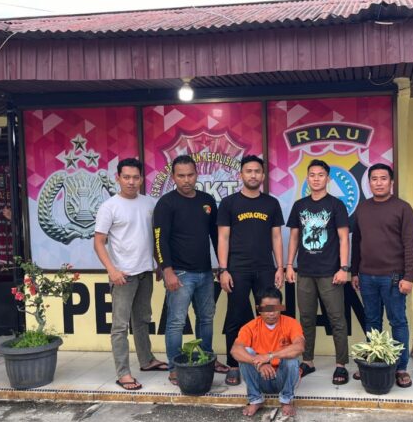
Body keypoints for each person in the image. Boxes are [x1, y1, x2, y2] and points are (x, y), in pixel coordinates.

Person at [153, 154, 229, 386]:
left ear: (197, 174)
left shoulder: (207, 201)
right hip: (180, 274)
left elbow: (216, 236)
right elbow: (159, 239)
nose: (186, 180)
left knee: (206, 319)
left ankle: (207, 359)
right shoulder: (166, 203)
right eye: (181, 176)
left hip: (205, 273)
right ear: (173, 177)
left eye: (190, 175)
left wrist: (222, 266)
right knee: (176, 322)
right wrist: (167, 270)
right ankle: (175, 367)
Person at [94, 158, 167, 391]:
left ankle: (147, 360)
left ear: (142, 179)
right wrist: (112, 271)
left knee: (143, 319)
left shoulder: (149, 203)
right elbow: (98, 242)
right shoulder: (109, 207)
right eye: (126, 177)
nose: (131, 182)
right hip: (122, 275)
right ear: (118, 178)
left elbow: (153, 237)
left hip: (145, 271)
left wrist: (158, 264)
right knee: (120, 326)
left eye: (135, 177)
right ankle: (123, 373)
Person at [217, 155, 284, 386]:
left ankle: (268, 362)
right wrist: (223, 269)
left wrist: (279, 267)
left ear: (263, 175)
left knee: (269, 316)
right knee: (235, 316)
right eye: (248, 171)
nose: (253, 175)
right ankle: (234, 365)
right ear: (241, 175)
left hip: (265, 269)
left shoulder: (271, 203)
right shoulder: (229, 203)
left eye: (257, 171)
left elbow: (277, 237)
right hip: (237, 269)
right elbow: (223, 237)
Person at [351, 163, 413, 388]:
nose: (378, 183)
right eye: (374, 179)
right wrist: (354, 271)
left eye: (383, 178)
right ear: (369, 183)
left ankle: (400, 368)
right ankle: (374, 361)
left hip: (394, 277)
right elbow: (357, 242)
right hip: (366, 276)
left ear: (391, 182)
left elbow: (410, 245)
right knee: (372, 321)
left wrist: (409, 276)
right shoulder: (362, 208)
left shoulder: (403, 208)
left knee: (398, 321)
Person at [286, 159, 351, 385]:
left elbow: (344, 238)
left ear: (328, 179)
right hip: (305, 272)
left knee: (337, 319)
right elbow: (294, 237)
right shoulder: (299, 205)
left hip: (330, 273)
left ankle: (341, 364)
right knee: (306, 319)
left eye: (320, 175)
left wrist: (344, 268)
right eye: (312, 174)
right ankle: (308, 361)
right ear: (307, 178)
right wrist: (289, 265)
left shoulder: (336, 205)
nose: (316, 178)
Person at [230, 287, 305, 417]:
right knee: (245, 351)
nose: (271, 313)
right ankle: (255, 400)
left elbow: (300, 346)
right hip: (261, 377)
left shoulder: (291, 323)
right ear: (258, 308)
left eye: (275, 308)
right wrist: (259, 363)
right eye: (267, 309)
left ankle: (286, 400)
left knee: (292, 358)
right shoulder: (250, 327)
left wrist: (270, 356)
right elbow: (235, 350)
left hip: (282, 378)